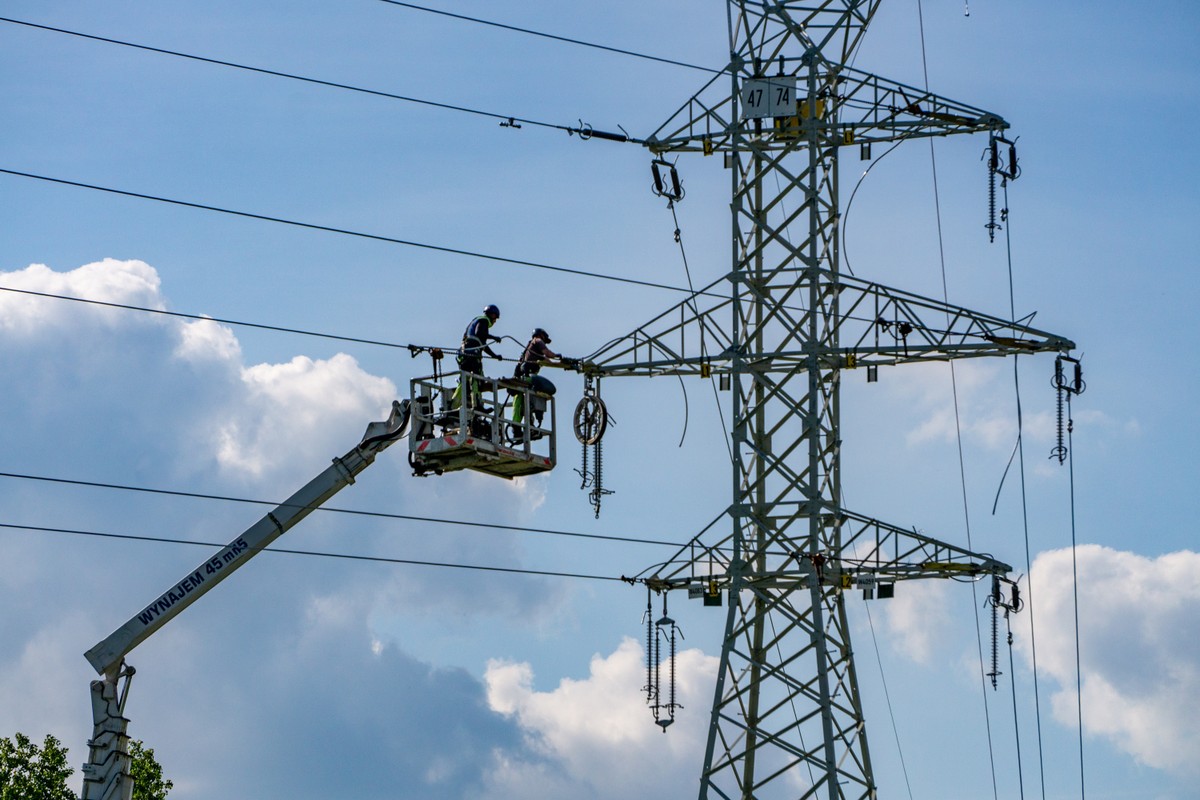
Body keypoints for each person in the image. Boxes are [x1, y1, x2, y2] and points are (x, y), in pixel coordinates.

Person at [450, 304, 502, 411]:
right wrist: (493, 337)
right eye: (495, 318)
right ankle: (477, 405)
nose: (495, 321)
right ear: (491, 315)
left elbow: (482, 344)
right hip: (472, 355)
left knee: (464, 381)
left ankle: (452, 407)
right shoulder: (484, 321)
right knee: (476, 379)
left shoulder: (475, 322)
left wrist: (494, 356)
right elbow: (480, 334)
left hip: (465, 354)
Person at [511, 328, 560, 436]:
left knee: (523, 402)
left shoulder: (531, 350)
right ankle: (528, 426)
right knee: (531, 400)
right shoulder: (537, 340)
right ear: (541, 335)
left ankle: (519, 428)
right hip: (528, 377)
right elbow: (547, 353)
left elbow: (549, 362)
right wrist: (557, 355)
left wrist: (561, 363)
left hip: (524, 378)